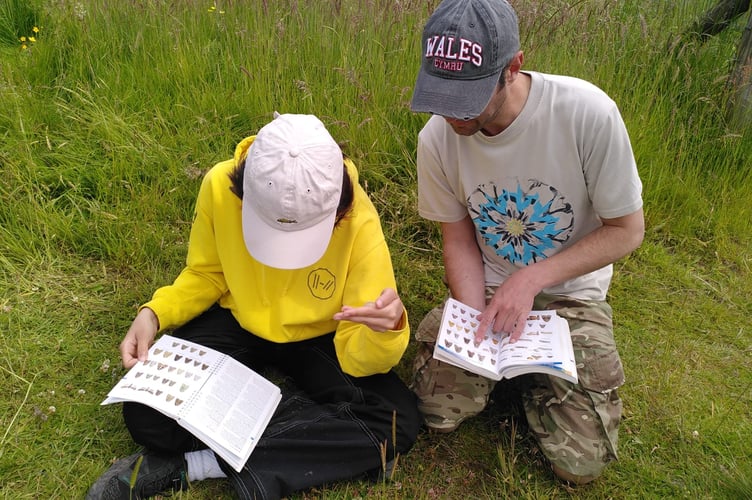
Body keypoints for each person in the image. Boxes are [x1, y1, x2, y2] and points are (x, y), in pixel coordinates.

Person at [86, 113, 421, 499]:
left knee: (395, 420)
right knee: (146, 413)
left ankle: (195, 465)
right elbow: (207, 273)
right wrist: (154, 313)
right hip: (237, 319)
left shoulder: (357, 217)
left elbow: (363, 351)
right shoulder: (218, 185)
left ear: (337, 210)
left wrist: (386, 330)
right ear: (242, 186)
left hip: (323, 334)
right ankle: (312, 430)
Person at [408, 0, 645, 485]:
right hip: (489, 291)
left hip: (568, 295)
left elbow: (627, 229)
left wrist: (532, 278)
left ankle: (536, 378)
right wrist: (473, 325)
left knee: (581, 464)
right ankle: (508, 371)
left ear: (513, 67)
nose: (451, 114)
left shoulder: (586, 114)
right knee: (434, 412)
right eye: (440, 94)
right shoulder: (436, 139)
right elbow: (458, 239)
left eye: (467, 97)